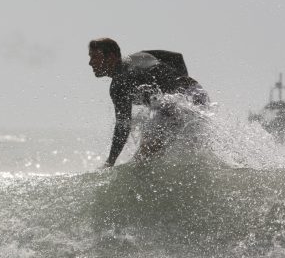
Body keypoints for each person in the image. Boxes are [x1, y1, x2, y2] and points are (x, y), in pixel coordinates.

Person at [88, 37, 209, 167]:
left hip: (172, 105)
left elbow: (123, 126)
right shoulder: (141, 55)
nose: (90, 63)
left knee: (141, 163)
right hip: (196, 92)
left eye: (95, 57)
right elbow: (177, 57)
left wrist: (110, 161)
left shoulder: (119, 83)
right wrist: (180, 84)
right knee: (193, 151)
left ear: (111, 57)